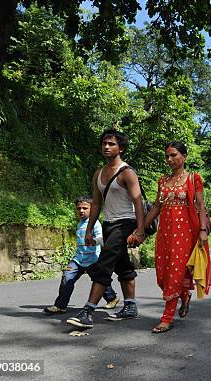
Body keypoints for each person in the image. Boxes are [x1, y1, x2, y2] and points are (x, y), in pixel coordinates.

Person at [66, 129, 146, 329]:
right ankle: (130, 306)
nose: (106, 147)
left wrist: (140, 229)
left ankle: (88, 311)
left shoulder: (127, 172)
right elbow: (96, 203)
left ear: (121, 148)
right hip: (109, 224)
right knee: (122, 265)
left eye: (111, 144)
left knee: (104, 263)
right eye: (104, 143)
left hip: (126, 223)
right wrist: (89, 229)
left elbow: (138, 201)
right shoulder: (99, 173)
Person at [143, 141, 210, 333]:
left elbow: (200, 205)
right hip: (165, 232)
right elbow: (157, 206)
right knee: (163, 274)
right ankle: (184, 296)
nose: (170, 159)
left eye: (173, 155)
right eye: (167, 156)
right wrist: (141, 228)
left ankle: (166, 318)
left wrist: (203, 231)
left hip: (185, 233)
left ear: (184, 157)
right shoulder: (162, 181)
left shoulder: (193, 178)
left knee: (175, 271)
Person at [44, 196, 119, 314]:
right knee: (67, 278)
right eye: (79, 208)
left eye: (85, 208)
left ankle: (112, 298)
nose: (81, 211)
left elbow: (102, 239)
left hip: (93, 260)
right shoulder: (80, 224)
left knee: (98, 280)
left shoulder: (95, 224)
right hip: (78, 259)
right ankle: (60, 306)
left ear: (92, 209)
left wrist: (94, 241)